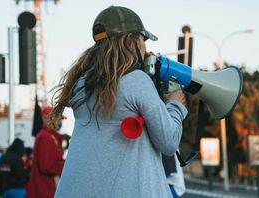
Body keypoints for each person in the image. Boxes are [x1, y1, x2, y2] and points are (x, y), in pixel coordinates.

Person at [51, 5, 188, 198]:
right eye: (143, 40)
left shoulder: (81, 84)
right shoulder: (136, 81)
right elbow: (169, 142)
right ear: (129, 41)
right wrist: (176, 105)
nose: (146, 48)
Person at [27, 106, 65, 198]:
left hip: (45, 190)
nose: (60, 122)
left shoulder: (48, 136)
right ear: (47, 118)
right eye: (58, 118)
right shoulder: (46, 137)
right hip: (46, 191)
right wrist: (67, 165)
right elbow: (47, 166)